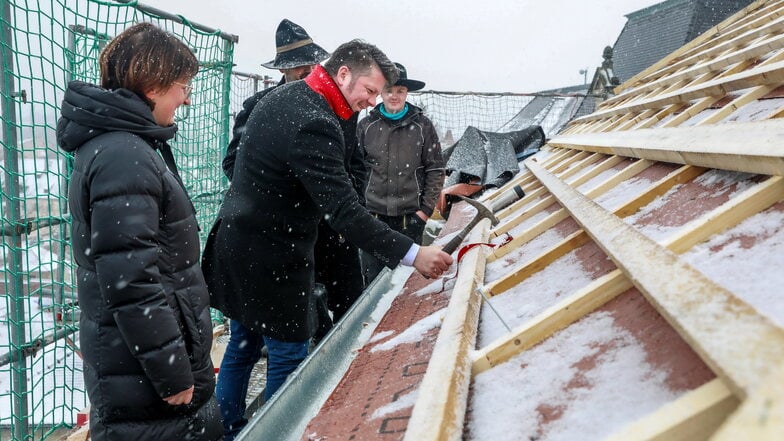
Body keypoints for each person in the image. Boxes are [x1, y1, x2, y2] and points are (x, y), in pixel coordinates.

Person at [202, 39, 453, 439]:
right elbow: (345, 212)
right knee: (288, 358)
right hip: (271, 261)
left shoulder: (290, 96)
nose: (372, 101)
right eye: (369, 91)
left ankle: (228, 429)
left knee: (241, 346)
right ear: (343, 74)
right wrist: (412, 253)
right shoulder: (313, 121)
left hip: (237, 246)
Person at [56, 23, 222, 440]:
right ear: (153, 85)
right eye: (182, 85)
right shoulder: (123, 154)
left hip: (137, 366)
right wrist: (172, 373)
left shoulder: (128, 145)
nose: (186, 98)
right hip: (143, 377)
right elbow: (132, 279)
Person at [221, 19, 365, 349]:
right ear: (283, 69)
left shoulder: (340, 108)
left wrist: (346, 200)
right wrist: (286, 197)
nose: (306, 71)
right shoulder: (259, 106)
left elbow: (356, 163)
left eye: (311, 64)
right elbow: (234, 165)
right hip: (290, 233)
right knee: (306, 326)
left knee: (352, 311)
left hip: (335, 230)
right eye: (297, 66)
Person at [358, 62, 446, 282]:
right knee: (373, 283)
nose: (394, 96)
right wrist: (360, 209)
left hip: (410, 219)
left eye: (400, 91)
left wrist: (424, 212)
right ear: (381, 92)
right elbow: (354, 170)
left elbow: (436, 168)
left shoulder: (423, 126)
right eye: (389, 90)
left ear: (407, 93)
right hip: (373, 219)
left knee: (405, 283)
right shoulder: (366, 126)